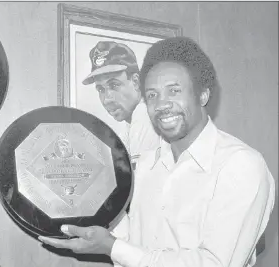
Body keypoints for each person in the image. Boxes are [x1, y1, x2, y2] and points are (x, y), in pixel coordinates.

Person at [39, 36, 276, 267]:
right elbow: (135, 244)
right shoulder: (147, 164)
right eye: (152, 95)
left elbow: (214, 262)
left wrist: (112, 247)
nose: (161, 104)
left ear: (203, 95)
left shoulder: (240, 164)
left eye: (174, 91)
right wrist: (90, 198)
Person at [82, 41, 159, 167]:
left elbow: (138, 183)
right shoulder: (132, 121)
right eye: (101, 89)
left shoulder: (144, 115)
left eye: (114, 85)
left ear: (136, 82)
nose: (107, 99)